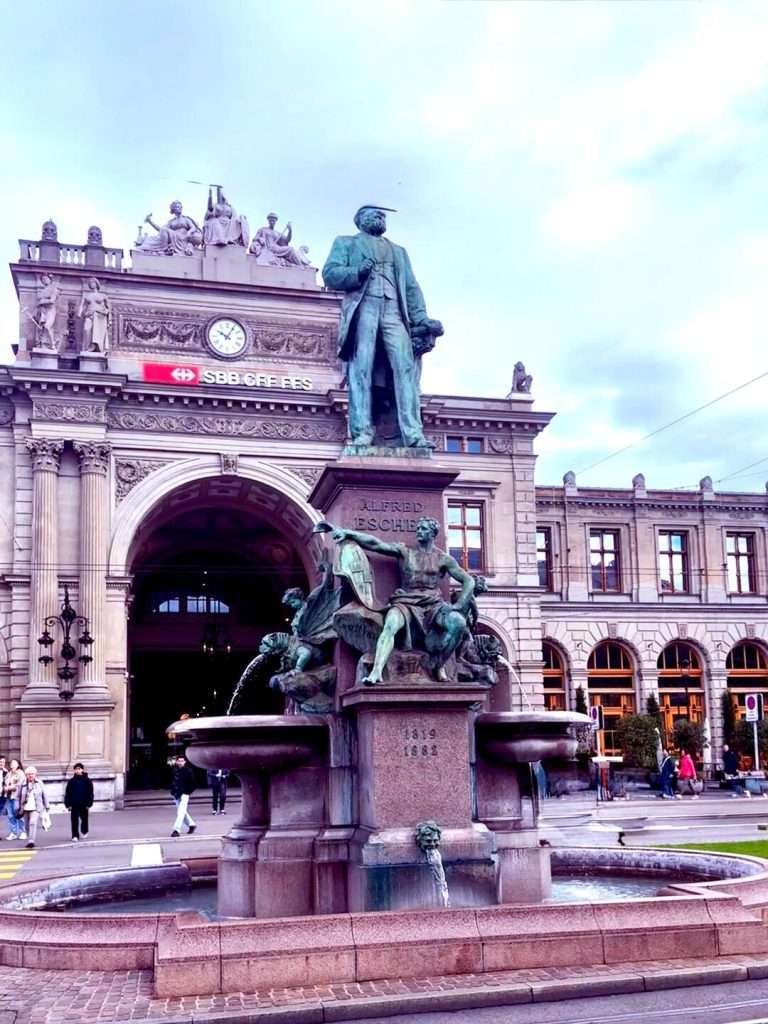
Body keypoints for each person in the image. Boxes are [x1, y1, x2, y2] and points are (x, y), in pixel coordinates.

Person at [322, 205, 442, 449]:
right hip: (364, 308)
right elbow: (330, 274)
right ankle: (361, 433)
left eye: (382, 215)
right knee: (361, 370)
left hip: (394, 311)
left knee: (405, 368)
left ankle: (413, 434)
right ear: (360, 220)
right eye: (374, 214)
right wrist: (357, 271)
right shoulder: (346, 243)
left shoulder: (399, 252)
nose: (380, 217)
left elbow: (411, 288)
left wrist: (421, 318)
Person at [330, 516, 474, 685]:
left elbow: (468, 580)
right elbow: (376, 544)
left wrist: (458, 606)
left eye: (424, 529)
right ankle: (376, 672)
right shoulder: (405, 551)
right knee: (390, 624)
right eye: (418, 528)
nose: (419, 531)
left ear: (433, 533)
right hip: (405, 601)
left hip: (433, 605)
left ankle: (438, 664)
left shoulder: (443, 559)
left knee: (458, 623)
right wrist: (348, 533)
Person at [138, 201, 203, 256]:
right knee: (157, 235)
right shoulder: (171, 221)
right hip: (174, 236)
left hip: (183, 237)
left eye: (180, 206)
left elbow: (193, 227)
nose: (179, 208)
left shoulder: (185, 219)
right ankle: (162, 249)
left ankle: (164, 249)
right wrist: (150, 222)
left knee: (164, 230)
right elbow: (161, 229)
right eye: (177, 207)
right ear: (173, 210)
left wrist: (189, 232)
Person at [15, 766, 49, 848]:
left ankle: (31, 841)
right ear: (26, 775)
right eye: (28, 774)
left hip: (36, 807)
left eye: (32, 774)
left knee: (32, 822)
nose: (30, 776)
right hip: (25, 808)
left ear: (35, 775)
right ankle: (29, 838)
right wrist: (17, 807)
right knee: (26, 825)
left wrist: (47, 805)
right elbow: (17, 797)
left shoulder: (39, 783)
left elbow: (45, 794)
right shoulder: (22, 784)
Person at [78, 278, 110, 353]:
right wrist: (79, 313)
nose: (92, 284)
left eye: (93, 283)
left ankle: (94, 346)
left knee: (97, 331)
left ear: (97, 284)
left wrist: (109, 319)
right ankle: (87, 346)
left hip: (100, 316)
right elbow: (82, 305)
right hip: (89, 314)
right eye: (90, 283)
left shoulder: (103, 295)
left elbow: (108, 308)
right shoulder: (86, 295)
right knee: (87, 329)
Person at [64, 763, 94, 842]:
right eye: (76, 769)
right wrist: (68, 804)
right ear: (74, 770)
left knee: (84, 819)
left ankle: (84, 831)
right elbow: (67, 793)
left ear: (82, 770)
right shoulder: (71, 781)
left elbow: (90, 793)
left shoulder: (87, 781)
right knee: (74, 820)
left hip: (84, 804)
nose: (77, 770)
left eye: (79, 769)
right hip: (74, 804)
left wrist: (89, 803)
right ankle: (75, 835)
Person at [170, 755, 197, 837]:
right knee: (182, 811)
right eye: (179, 761)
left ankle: (176, 830)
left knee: (180, 812)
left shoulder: (188, 771)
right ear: (177, 762)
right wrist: (172, 791)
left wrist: (187, 792)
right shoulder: (174, 770)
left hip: (184, 794)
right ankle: (191, 824)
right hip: (176, 794)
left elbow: (193, 784)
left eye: (182, 761)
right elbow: (173, 781)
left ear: (185, 762)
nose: (181, 762)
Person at [4, 759, 24, 840]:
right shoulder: (9, 774)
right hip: (9, 797)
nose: (12, 765)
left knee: (19, 815)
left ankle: (23, 832)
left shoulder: (20, 773)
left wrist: (9, 788)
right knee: (10, 815)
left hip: (17, 797)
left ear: (18, 765)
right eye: (11, 763)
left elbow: (19, 785)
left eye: (14, 763)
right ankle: (14, 832)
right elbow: (5, 782)